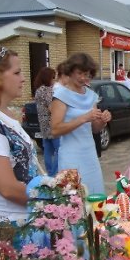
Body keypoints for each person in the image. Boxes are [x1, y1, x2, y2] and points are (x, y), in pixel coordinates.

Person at [0, 44, 41, 248]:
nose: (23, 78)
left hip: (25, 218)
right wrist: (51, 201)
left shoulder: (4, 117)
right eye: (16, 72)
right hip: (12, 226)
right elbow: (6, 187)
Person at [50, 53, 111, 194]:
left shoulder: (91, 95)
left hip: (89, 153)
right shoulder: (61, 96)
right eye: (80, 73)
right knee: (74, 199)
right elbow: (55, 130)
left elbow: (95, 129)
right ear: (70, 72)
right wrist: (83, 118)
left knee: (95, 196)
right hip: (71, 155)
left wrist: (102, 121)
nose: (84, 78)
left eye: (87, 74)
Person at [34, 66, 59, 176]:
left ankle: (49, 172)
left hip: (43, 125)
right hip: (52, 124)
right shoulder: (48, 90)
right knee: (59, 150)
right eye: (53, 77)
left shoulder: (38, 90)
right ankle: (54, 173)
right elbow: (51, 108)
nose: (54, 80)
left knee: (47, 150)